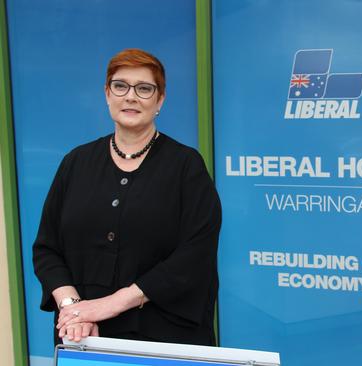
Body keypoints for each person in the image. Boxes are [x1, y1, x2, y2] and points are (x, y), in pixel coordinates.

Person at [32, 48, 221, 346]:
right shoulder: (76, 162)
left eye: (144, 88)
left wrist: (112, 303)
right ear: (107, 93)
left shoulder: (186, 166)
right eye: (120, 86)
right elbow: (47, 249)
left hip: (165, 336)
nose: (130, 96)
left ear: (160, 100)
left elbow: (196, 255)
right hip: (83, 334)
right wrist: (74, 309)